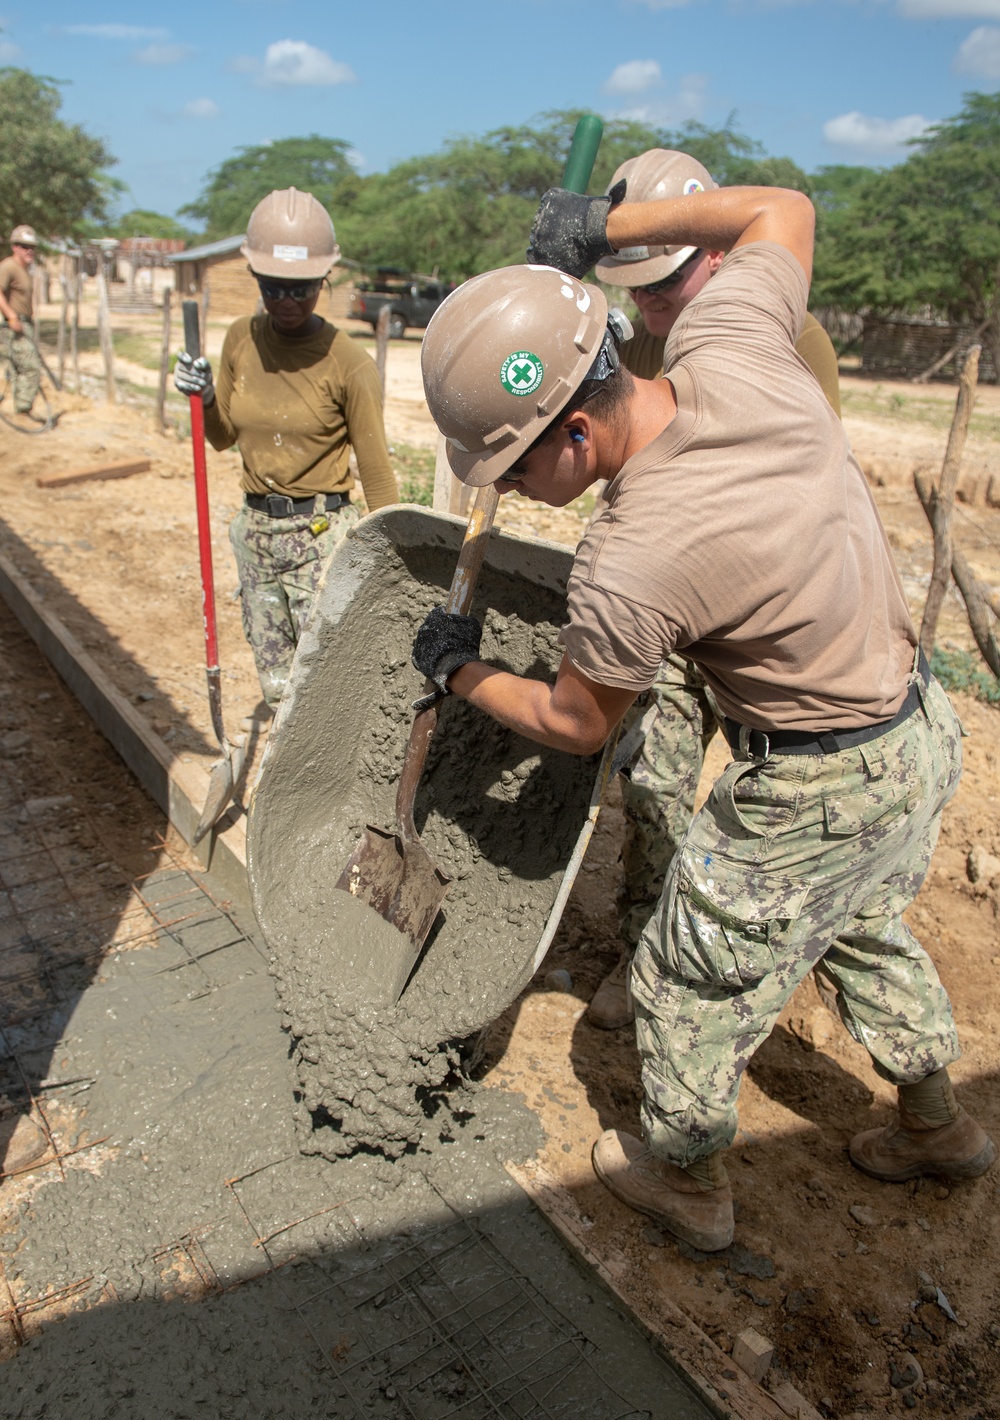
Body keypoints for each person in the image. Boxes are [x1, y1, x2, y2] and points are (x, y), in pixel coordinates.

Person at [410, 179, 995, 1253]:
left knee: (685, 971)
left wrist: (459, 672)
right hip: (913, 731)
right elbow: (784, 210)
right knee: (858, 921)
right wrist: (606, 227)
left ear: (575, 431)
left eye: (512, 465)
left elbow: (576, 720)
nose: (510, 489)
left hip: (813, 783)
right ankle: (936, 1121)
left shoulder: (630, 563)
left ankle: (685, 1181)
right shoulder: (733, 341)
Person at [588, 151, 841, 1029]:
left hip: (757, 631)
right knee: (653, 790)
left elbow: (797, 495)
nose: (649, 305)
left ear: (720, 252)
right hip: (672, 613)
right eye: (637, 291)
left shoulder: (786, 339)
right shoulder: (641, 339)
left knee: (801, 817)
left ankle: (781, 972)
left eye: (666, 283)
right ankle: (640, 953)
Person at [175, 188, 398, 709]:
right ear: (255, 278)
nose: (287, 303)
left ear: (324, 281)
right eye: (273, 288)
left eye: (301, 289)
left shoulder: (349, 363)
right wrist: (206, 397)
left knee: (327, 676)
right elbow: (223, 436)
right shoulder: (240, 340)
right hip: (255, 535)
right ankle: (289, 778)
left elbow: (378, 473)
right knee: (276, 680)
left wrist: (394, 563)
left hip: (320, 536)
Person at [0, 225, 42, 419]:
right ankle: (24, 408)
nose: (29, 250)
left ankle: (21, 411)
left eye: (32, 246)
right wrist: (11, 316)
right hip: (14, 324)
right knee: (30, 367)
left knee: (19, 369)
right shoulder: (8, 266)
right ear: (14, 247)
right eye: (24, 246)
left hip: (24, 322)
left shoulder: (25, 269)